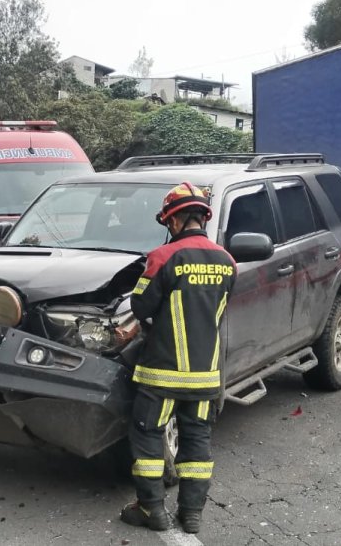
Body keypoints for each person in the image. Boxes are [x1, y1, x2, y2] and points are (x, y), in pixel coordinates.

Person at [119, 182, 236, 535]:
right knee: (197, 443)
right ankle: (192, 514)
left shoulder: (163, 257)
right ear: (202, 217)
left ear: (175, 220)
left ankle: (151, 509)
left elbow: (140, 306)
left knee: (148, 438)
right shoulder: (227, 262)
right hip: (204, 375)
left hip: (161, 375)